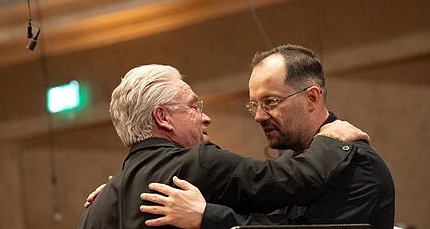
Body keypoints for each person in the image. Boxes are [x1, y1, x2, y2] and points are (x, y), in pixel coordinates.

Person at [77, 64, 369, 229]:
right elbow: (291, 181)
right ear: (163, 117)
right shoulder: (196, 164)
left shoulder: (94, 210)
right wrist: (331, 140)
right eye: (193, 106)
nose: (205, 117)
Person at [140, 44, 395, 229]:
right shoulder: (290, 163)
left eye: (270, 102)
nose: (259, 116)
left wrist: (208, 217)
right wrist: (133, 183)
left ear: (312, 97)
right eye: (254, 105)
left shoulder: (360, 166)